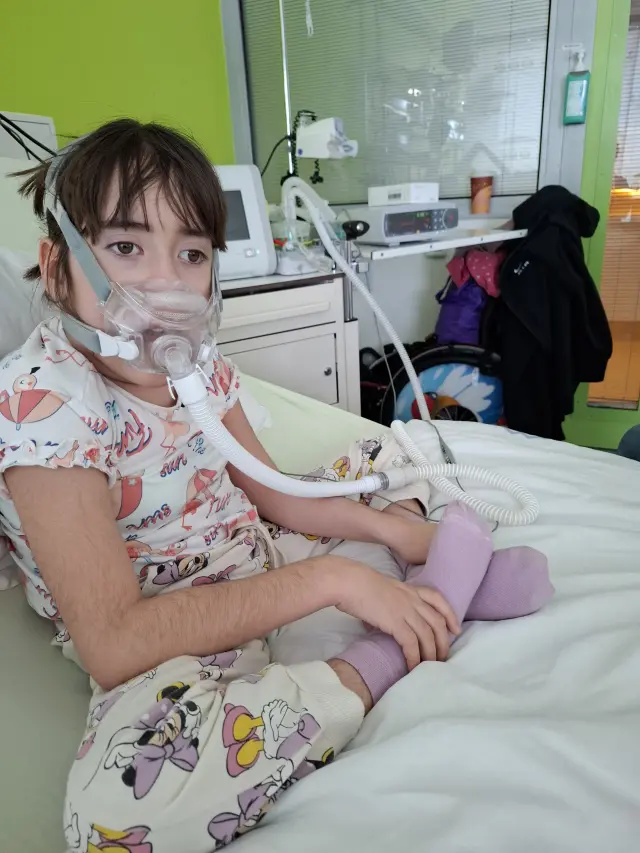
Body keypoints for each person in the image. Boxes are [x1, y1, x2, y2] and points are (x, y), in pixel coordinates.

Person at [0, 120, 552, 853]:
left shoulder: (196, 365)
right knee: (120, 817)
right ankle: (383, 653)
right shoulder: (45, 407)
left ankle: (422, 573)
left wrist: (398, 531)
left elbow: (270, 488)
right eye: (126, 247)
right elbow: (114, 643)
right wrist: (335, 581)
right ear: (56, 265)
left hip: (259, 545)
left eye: (192, 253)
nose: (166, 286)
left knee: (382, 444)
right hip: (171, 629)